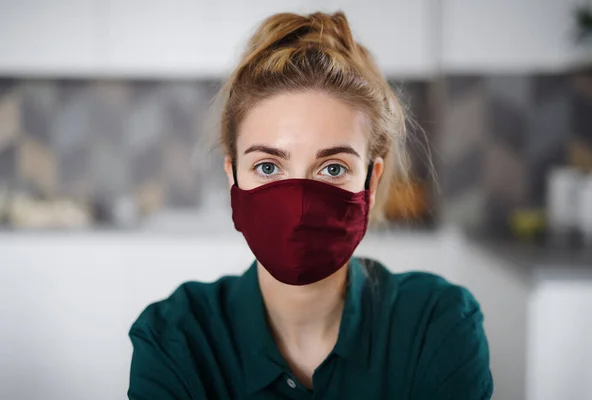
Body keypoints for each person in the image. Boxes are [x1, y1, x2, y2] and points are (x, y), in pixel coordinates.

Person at [127, 11, 493, 400]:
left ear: (372, 181)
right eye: (268, 166)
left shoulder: (438, 326)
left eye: (333, 168)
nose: (299, 202)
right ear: (233, 177)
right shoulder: (175, 340)